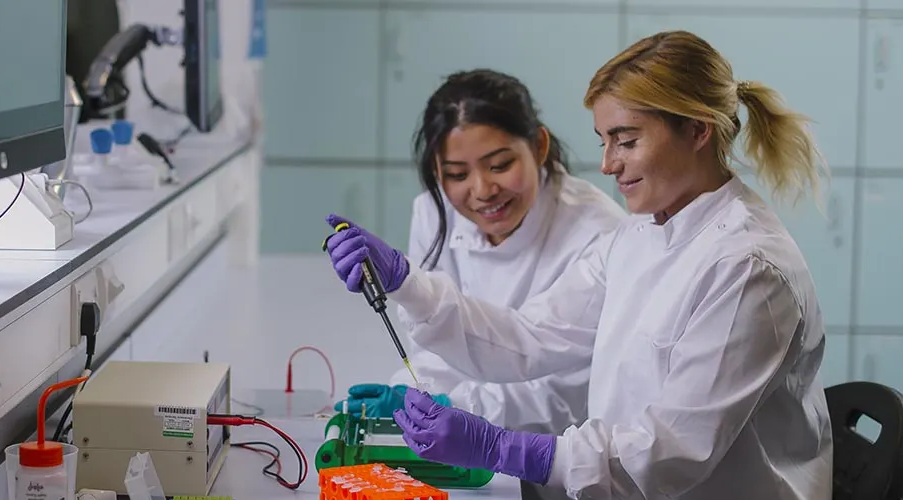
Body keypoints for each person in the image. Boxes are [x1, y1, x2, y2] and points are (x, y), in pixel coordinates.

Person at [323, 31, 833, 499]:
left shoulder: (747, 268)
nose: (608, 164)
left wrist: (503, 448)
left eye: (627, 141)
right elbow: (528, 338)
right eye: (604, 141)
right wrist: (406, 283)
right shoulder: (641, 234)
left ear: (698, 130)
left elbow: (669, 454)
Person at [333, 68, 626, 441]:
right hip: (453, 436)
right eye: (457, 174)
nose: (483, 190)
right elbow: (431, 350)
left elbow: (564, 392)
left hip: (543, 452)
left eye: (500, 166)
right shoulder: (434, 213)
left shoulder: (597, 235)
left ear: (538, 146)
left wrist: (453, 407)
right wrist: (416, 397)